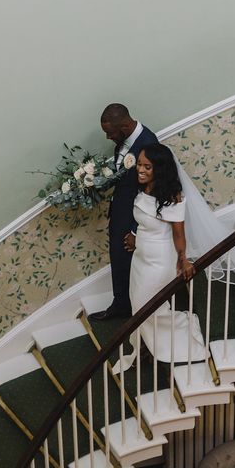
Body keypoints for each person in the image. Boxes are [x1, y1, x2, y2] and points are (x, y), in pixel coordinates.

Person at [118, 143, 204, 365]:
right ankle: (146, 346)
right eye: (139, 164)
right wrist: (137, 239)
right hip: (140, 260)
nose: (141, 169)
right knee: (137, 304)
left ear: (160, 168)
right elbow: (150, 224)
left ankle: (175, 338)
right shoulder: (143, 189)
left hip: (160, 262)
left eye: (147, 166)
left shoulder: (172, 197)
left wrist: (183, 259)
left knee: (145, 307)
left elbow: (178, 234)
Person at [89, 104, 158, 321]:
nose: (108, 137)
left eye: (110, 133)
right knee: (119, 262)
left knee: (131, 266)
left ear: (126, 127)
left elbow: (151, 191)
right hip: (119, 213)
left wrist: (136, 231)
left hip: (133, 219)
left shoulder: (148, 144)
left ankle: (134, 310)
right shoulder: (123, 142)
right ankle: (121, 305)